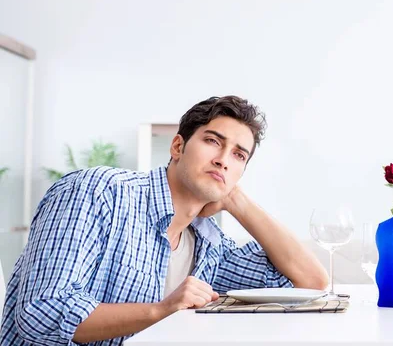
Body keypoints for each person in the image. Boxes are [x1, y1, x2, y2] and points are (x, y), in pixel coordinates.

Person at [1, 96, 328, 345]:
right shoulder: (99, 192)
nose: (223, 160)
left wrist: (236, 201)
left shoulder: (208, 244)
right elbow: (40, 314)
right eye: (213, 141)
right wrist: (160, 310)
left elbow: (310, 281)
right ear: (177, 145)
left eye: (238, 155)